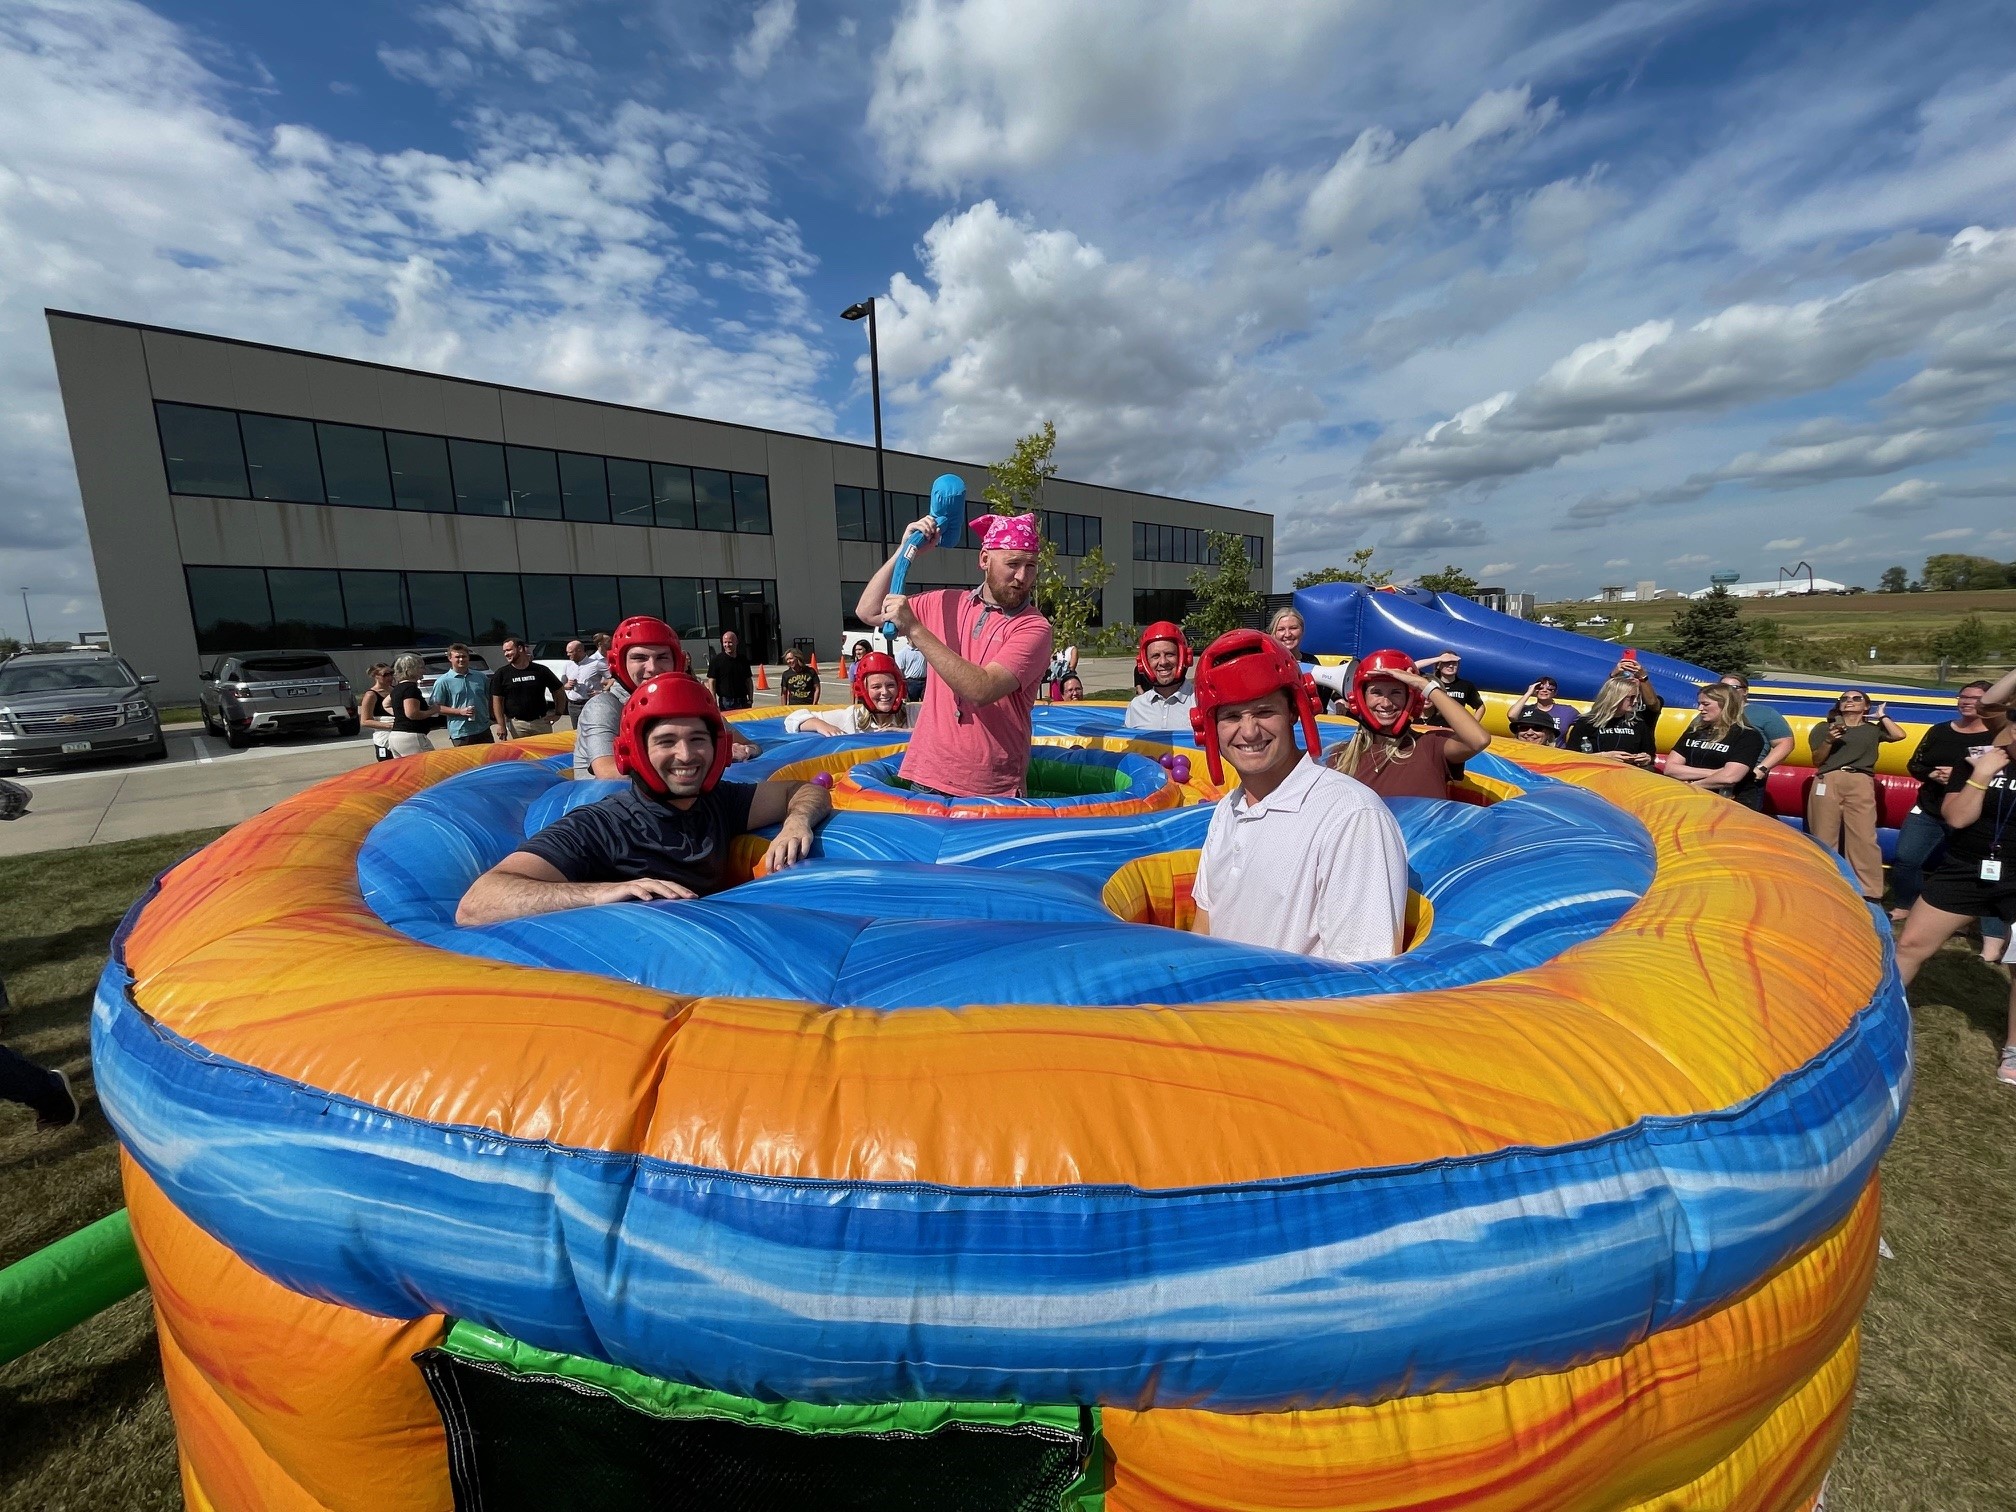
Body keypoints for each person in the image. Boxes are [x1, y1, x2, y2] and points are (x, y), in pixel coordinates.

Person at [458, 674, 830, 925]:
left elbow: (801, 790)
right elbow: (477, 903)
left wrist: (796, 822)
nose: (686, 755)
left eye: (697, 739)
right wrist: (604, 892)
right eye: (666, 742)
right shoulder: (601, 825)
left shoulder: (719, 801)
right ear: (633, 753)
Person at [1189, 630, 1407, 965]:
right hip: (1215, 1012)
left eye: (1263, 712)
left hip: (1285, 1016)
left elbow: (1361, 976)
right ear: (1210, 726)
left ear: (1294, 711)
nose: (1248, 732)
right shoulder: (1227, 811)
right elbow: (1204, 926)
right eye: (1231, 716)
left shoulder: (1351, 817)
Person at [857, 509, 1053, 799]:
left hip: (991, 789)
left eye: (1031, 566)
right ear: (984, 559)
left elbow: (982, 689)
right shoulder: (945, 602)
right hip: (927, 775)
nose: (1022, 577)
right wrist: (904, 550)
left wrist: (915, 628)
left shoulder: (1034, 627)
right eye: (1012, 564)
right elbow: (869, 610)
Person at [1893, 736, 2016, 1085]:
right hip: (1965, 869)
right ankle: (1880, 1019)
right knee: (1910, 946)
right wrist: (1983, 773)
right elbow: (1958, 818)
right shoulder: (1978, 761)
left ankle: (2013, 1049)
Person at [1326, 650, 1490, 800]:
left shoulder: (1430, 746)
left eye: (1396, 692)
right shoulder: (1340, 756)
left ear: (1411, 700)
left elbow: (1479, 740)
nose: (1386, 703)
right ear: (1361, 698)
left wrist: (1423, 685)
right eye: (1376, 692)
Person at [1894, 681, 1995, 922]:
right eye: (1963, 697)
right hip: (1929, 809)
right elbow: (1915, 763)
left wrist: (1960, 777)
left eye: (1975, 698)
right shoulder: (1939, 731)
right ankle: (1906, 904)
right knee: (1906, 858)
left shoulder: (1997, 737)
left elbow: (2003, 775)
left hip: (1972, 814)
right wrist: (1931, 774)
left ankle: (1962, 917)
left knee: (1965, 869)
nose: (1967, 702)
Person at [1806, 690, 1906, 902]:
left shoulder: (1872, 730)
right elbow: (1817, 760)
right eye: (1845, 699)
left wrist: (1883, 716)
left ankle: (1868, 891)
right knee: (1823, 836)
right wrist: (1829, 740)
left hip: (1860, 780)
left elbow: (1899, 735)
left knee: (1863, 836)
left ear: (1866, 707)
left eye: (1856, 699)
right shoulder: (1824, 728)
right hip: (1828, 779)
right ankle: (1824, 884)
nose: (1849, 702)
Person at [574, 615, 690, 779]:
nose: (652, 668)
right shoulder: (603, 707)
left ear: (678, 661)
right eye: (639, 658)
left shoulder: (686, 699)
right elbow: (608, 773)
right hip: (608, 801)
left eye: (662, 657)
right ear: (619, 663)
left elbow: (737, 743)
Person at [1664, 684, 1767, 807]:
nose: (1700, 708)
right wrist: (1714, 772)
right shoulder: (1694, 732)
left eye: (1706, 704)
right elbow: (1670, 768)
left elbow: (1730, 777)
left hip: (1730, 804)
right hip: (1693, 801)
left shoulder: (1747, 735)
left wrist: (1693, 786)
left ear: (1725, 705)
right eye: (1699, 703)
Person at [786, 652, 909, 735]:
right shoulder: (852, 718)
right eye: (876, 687)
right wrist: (820, 725)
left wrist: (909, 732)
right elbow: (792, 719)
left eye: (890, 685)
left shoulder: (914, 714)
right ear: (863, 690)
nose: (885, 692)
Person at [1563, 672, 1662, 766]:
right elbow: (1571, 757)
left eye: (1636, 697)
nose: (1635, 701)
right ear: (1616, 698)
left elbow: (1651, 754)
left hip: (1629, 775)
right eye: (1631, 698)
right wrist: (1603, 756)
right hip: (1595, 774)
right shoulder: (1586, 722)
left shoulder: (1638, 723)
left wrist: (1646, 759)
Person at [1717, 671, 1794, 785]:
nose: (1728, 691)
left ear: (1745, 691)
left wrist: (1761, 769)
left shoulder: (1764, 713)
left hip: (1747, 778)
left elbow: (1785, 743)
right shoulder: (1711, 712)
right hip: (1712, 774)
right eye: (1722, 687)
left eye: (1733, 687)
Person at [490, 637, 567, 737]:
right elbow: (497, 700)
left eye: (509, 650)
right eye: (504, 651)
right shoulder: (501, 673)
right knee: (522, 753)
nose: (506, 654)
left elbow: (558, 690)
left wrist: (558, 713)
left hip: (541, 722)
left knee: (545, 752)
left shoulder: (540, 670)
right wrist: (501, 725)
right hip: (517, 725)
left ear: (520, 649)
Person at [1125, 622, 1195, 731]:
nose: (1163, 662)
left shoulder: (1200, 701)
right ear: (1143, 663)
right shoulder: (1137, 706)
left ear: (1185, 658)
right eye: (1155, 656)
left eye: (1169, 654)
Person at [430, 643, 495, 747]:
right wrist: (460, 711)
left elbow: (491, 698)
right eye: (457, 657)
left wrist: (494, 718)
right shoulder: (443, 681)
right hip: (461, 733)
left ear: (468, 657)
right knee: (468, 763)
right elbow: (435, 707)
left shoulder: (480, 677)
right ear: (450, 658)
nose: (461, 659)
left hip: (483, 729)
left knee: (489, 761)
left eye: (464, 656)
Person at [385, 654, 437, 758]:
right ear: (412, 670)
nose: (424, 671)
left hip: (395, 736)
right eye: (421, 667)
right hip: (411, 736)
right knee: (426, 766)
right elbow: (412, 714)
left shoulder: (397, 688)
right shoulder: (411, 689)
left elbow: (385, 704)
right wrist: (433, 711)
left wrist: (399, 713)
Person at [1508, 676, 1577, 744]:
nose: (1544, 690)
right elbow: (1511, 716)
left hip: (1556, 752)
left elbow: (1584, 722)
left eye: (1550, 689)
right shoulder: (1526, 710)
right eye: (1540, 688)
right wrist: (1528, 693)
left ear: (1555, 693)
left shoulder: (1567, 711)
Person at [561, 638, 610, 724]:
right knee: (576, 732)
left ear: (579, 651)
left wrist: (603, 691)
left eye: (570, 652)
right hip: (573, 705)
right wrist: (566, 685)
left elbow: (613, 679)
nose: (568, 654)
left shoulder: (596, 664)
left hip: (590, 703)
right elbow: (561, 685)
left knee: (592, 729)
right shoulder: (567, 665)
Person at [708, 630, 755, 712]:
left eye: (730, 642)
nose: (727, 645)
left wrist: (750, 699)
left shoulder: (743, 660)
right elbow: (711, 682)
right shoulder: (716, 660)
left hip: (743, 701)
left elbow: (748, 681)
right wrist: (714, 701)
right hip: (726, 702)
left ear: (736, 642)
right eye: (725, 642)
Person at [894, 637, 927, 702]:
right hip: (911, 683)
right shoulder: (902, 653)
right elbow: (899, 671)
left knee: (926, 702)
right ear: (908, 638)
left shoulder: (923, 651)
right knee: (913, 703)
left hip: (924, 681)